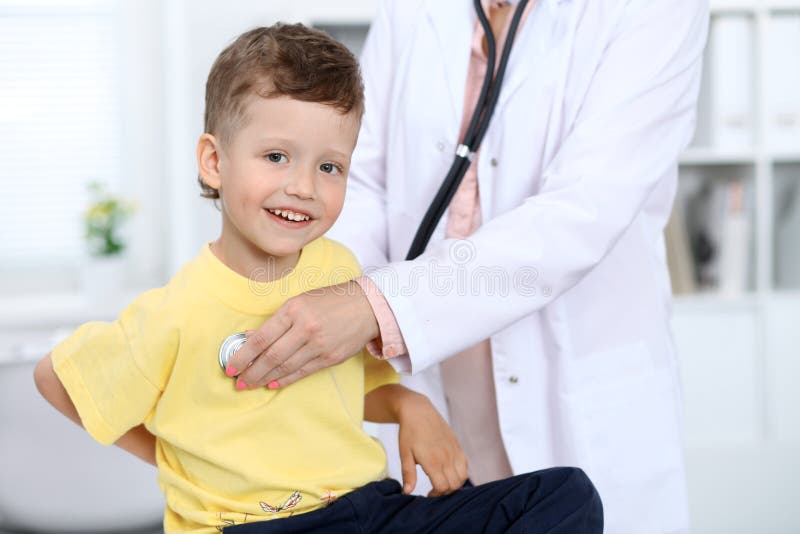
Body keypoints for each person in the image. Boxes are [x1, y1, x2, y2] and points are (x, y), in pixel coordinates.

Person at [32, 23, 602, 534]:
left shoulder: (337, 272)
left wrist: (410, 407)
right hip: (252, 526)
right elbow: (56, 379)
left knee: (566, 497)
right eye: (277, 156)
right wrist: (172, 459)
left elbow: (359, 384)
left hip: (367, 509)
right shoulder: (178, 310)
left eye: (329, 166)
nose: (304, 186)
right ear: (214, 161)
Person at [225, 1, 710, 533]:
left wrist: (375, 304)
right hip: (426, 388)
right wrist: (322, 300)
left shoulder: (655, 11)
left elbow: (582, 211)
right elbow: (359, 177)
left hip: (572, 391)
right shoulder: (411, 12)